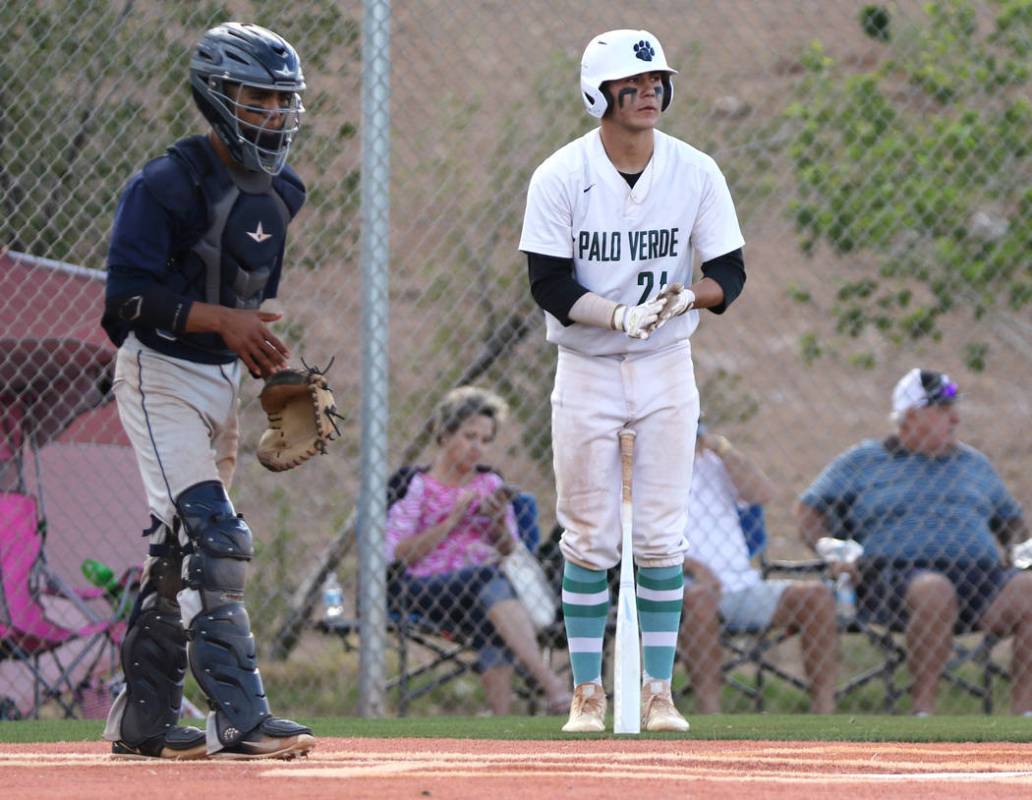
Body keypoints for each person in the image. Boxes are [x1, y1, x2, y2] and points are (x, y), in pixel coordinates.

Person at [519, 29, 747, 732]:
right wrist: (618, 316)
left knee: (659, 538)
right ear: (599, 92)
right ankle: (587, 694)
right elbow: (549, 284)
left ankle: (657, 692)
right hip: (587, 365)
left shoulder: (695, 170)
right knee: (587, 535)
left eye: (655, 81)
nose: (648, 91)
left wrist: (688, 297)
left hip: (665, 364)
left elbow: (729, 273)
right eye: (633, 82)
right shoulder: (562, 174)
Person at [99, 23, 314, 760]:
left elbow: (249, 303)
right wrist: (222, 321)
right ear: (217, 96)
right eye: (259, 98)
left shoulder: (284, 192)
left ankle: (144, 719)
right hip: (157, 375)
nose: (276, 115)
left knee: (174, 553)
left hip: (219, 380)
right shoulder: (165, 183)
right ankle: (240, 719)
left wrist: (265, 361)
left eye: (284, 101)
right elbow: (122, 301)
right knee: (217, 538)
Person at [797, 367, 1031, 715]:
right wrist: (830, 548)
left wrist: (1018, 548)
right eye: (941, 409)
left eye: (954, 408)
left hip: (979, 582)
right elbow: (808, 510)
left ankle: (1025, 715)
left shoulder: (974, 464)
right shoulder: (866, 460)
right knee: (933, 589)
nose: (954, 418)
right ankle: (924, 713)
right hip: (894, 581)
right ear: (910, 416)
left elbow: (1011, 521)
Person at [385, 386, 571, 716]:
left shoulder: (490, 485)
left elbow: (512, 552)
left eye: (485, 440)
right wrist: (452, 519)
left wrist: (498, 522)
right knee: (490, 579)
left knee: (492, 607)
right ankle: (552, 687)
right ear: (444, 433)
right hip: (423, 588)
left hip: (485, 594)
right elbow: (396, 555)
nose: (477, 448)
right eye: (469, 436)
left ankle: (500, 726)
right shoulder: (417, 485)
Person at [680, 424, 837, 714]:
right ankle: (710, 716)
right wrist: (690, 565)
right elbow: (631, 540)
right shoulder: (644, 467)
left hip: (741, 584)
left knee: (818, 597)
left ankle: (825, 714)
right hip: (678, 587)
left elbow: (763, 493)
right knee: (699, 601)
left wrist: (722, 449)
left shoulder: (715, 463)